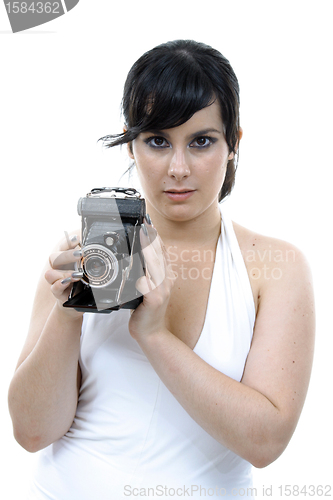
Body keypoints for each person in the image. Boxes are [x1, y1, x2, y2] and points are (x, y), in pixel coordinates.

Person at [8, 40, 315, 499]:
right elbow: (32, 433)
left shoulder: (275, 268)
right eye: (157, 141)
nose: (177, 168)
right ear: (130, 145)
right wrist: (68, 314)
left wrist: (154, 336)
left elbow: (265, 441)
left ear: (233, 144)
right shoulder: (84, 256)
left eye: (201, 142)